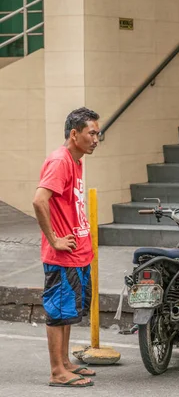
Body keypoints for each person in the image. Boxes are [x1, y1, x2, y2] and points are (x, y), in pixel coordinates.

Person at [32, 107, 100, 388]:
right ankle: (57, 371)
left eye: (98, 133)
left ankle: (65, 362)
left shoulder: (77, 160)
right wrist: (55, 239)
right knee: (58, 310)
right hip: (62, 254)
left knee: (68, 310)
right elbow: (39, 200)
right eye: (92, 133)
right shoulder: (60, 161)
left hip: (77, 252)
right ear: (75, 134)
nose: (97, 138)